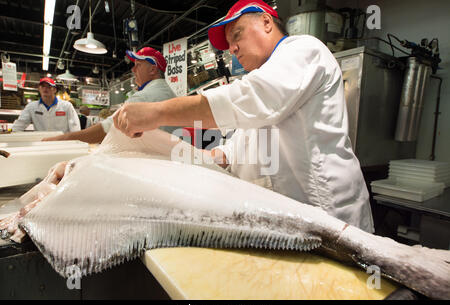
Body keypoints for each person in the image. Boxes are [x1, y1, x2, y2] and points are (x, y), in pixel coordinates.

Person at [112, 0, 374, 233]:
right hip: (289, 222)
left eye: (237, 35)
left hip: (330, 215)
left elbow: (250, 98)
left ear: (267, 22)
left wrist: (157, 113)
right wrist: (173, 155)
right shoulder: (261, 77)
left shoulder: (303, 50)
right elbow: (235, 150)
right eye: (229, 45)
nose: (233, 49)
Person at [43, 47, 176, 143]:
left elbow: (105, 130)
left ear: (153, 69)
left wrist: (61, 140)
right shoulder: (170, 93)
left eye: (138, 65)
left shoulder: (143, 98)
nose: (133, 69)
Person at [12, 77, 80, 133]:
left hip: (61, 144)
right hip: (42, 144)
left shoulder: (66, 106)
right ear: (39, 89)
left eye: (49, 86)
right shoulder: (31, 107)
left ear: (54, 90)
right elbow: (19, 125)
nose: (45, 89)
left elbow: (75, 128)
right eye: (42, 86)